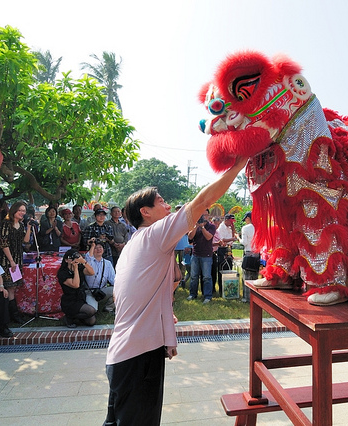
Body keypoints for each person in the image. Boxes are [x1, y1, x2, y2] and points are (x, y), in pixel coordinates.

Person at [103, 156, 245, 426]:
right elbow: (202, 202)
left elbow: (132, 294)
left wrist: (163, 318)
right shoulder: (156, 233)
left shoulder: (137, 243)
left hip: (126, 356)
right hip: (138, 358)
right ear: (145, 212)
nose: (168, 206)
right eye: (161, 202)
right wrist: (237, 167)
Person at [0, 201, 33, 325]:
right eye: (20, 210)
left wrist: (29, 228)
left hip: (17, 258)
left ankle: (13, 314)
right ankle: (11, 314)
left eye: (24, 211)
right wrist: (11, 261)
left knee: (13, 287)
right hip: (7, 259)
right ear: (14, 211)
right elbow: (3, 243)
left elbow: (25, 241)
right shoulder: (6, 224)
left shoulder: (21, 225)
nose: (23, 213)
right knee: (9, 286)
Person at [57, 249, 96, 328]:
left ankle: (75, 318)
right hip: (70, 301)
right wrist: (75, 269)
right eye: (71, 258)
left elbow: (92, 273)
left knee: (91, 321)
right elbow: (76, 285)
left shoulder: (80, 268)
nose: (73, 260)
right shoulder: (62, 273)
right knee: (91, 311)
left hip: (80, 297)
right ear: (66, 260)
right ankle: (68, 317)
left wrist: (84, 262)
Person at [186, 209, 216, 303]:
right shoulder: (195, 225)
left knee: (206, 277)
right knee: (194, 276)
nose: (204, 217)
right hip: (195, 254)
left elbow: (208, 237)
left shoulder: (211, 226)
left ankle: (207, 296)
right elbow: (190, 237)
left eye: (205, 215)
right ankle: (192, 294)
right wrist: (196, 226)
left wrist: (202, 227)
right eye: (202, 215)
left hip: (206, 255)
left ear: (209, 216)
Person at [84, 238, 116, 313]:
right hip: (89, 291)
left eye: (100, 247)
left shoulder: (107, 263)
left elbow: (113, 279)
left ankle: (108, 309)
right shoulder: (89, 261)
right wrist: (92, 245)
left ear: (103, 250)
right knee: (92, 311)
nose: (98, 249)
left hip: (101, 290)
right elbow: (89, 256)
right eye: (96, 248)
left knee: (117, 290)